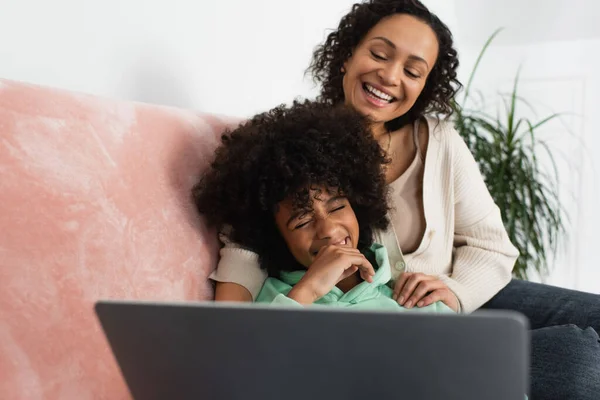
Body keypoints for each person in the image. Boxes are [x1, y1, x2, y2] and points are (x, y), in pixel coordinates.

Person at [202, 0, 600, 398]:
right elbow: (245, 267)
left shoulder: (439, 141)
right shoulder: (296, 150)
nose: (390, 76)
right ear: (346, 55)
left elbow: (491, 245)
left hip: (452, 298)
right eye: (378, 53)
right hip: (394, 329)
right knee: (576, 356)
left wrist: (456, 294)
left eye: (412, 71)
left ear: (424, 86)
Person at [194, 101, 452, 312]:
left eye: (337, 207)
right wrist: (309, 290)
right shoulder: (276, 302)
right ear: (275, 238)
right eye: (302, 222)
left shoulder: (407, 298)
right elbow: (246, 360)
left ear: (358, 204)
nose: (328, 229)